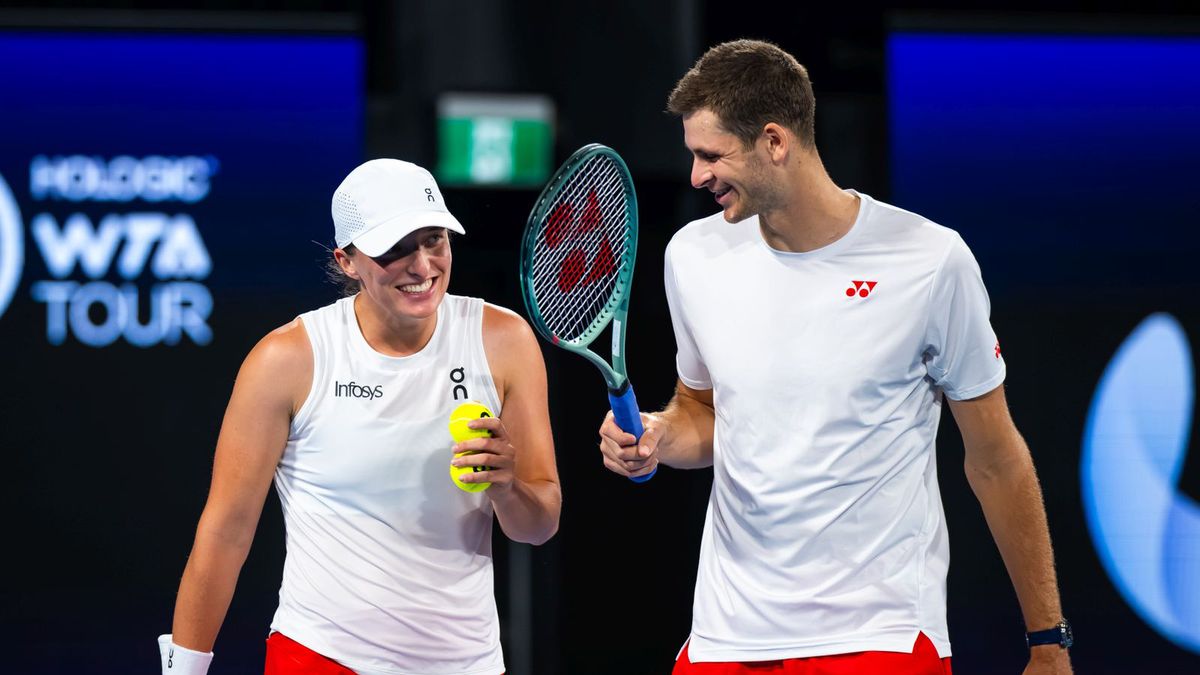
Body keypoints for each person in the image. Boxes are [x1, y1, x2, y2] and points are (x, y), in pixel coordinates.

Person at [597, 39, 1073, 675]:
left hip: (880, 635)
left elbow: (994, 458)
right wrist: (656, 436)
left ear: (774, 141)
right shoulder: (692, 255)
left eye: (712, 155)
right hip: (726, 635)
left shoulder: (930, 261)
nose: (696, 176)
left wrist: (1047, 640)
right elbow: (702, 412)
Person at [159, 159, 560, 675]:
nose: (422, 266)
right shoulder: (288, 359)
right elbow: (225, 532)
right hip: (322, 656)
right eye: (394, 250)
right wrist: (184, 669)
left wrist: (507, 487)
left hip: (468, 663)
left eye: (434, 239)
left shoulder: (503, 340)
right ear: (347, 261)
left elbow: (539, 525)